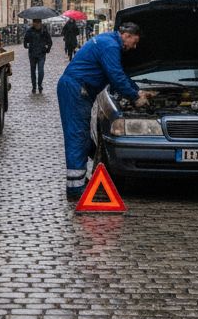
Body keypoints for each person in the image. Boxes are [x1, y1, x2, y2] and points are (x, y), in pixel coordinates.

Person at [56, 22, 149, 201]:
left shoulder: (108, 41)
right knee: (77, 135)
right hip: (76, 89)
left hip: (77, 89)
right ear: (126, 36)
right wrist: (135, 98)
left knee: (82, 135)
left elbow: (120, 75)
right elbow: (115, 76)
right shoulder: (110, 46)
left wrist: (137, 90)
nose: (134, 47)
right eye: (134, 42)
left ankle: (84, 177)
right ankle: (75, 188)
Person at [22, 18, 52, 93]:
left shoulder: (44, 31)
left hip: (41, 53)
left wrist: (47, 49)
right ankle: (34, 86)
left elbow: (50, 42)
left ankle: (40, 85)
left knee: (40, 70)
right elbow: (25, 42)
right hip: (32, 54)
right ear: (33, 23)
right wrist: (27, 46)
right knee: (33, 70)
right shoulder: (29, 31)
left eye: (39, 22)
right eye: (36, 22)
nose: (37, 24)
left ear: (41, 23)